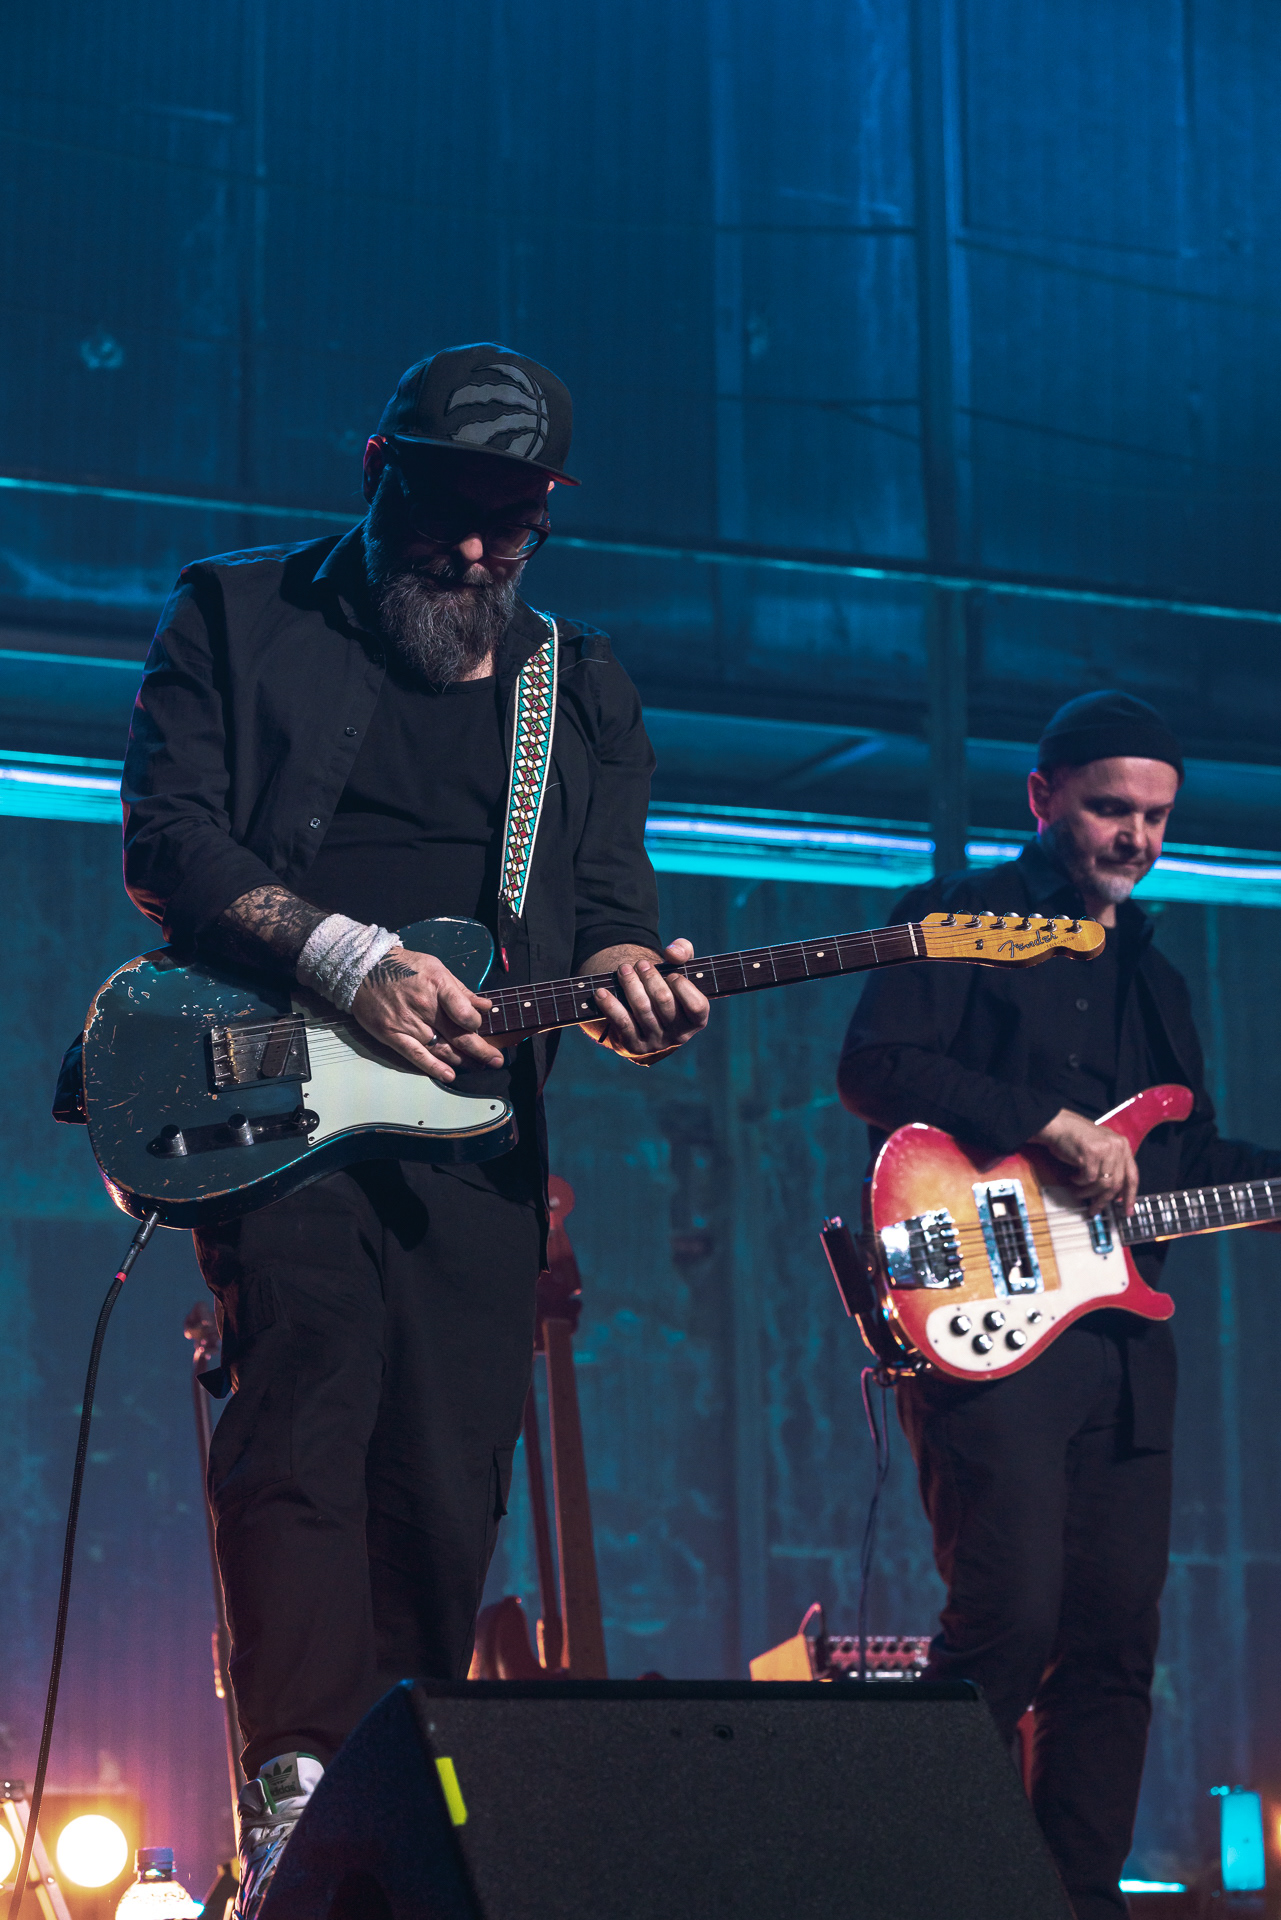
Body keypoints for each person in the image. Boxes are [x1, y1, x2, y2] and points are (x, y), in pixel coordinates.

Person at [120, 344, 709, 1916]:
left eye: (510, 528)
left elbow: (607, 919)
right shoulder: (237, 614)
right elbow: (171, 839)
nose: (473, 554)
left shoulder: (577, 687)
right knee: (304, 1403)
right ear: (377, 468)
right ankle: (297, 1788)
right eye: (450, 512)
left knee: (448, 1477)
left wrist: (628, 985)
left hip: (478, 1131)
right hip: (279, 1089)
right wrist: (349, 960)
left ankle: (382, 1803)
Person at [837, 691, 1281, 1920]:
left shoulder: (1161, 975)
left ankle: (1075, 1902)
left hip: (1126, 1351)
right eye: (1109, 808)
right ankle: (936, 1889)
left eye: (1156, 816)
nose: (1136, 836)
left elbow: (1174, 1163)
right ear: (1042, 799)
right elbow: (875, 1065)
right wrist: (1039, 1123)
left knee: (1112, 1644)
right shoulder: (953, 923)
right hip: (992, 1329)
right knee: (1007, 1616)